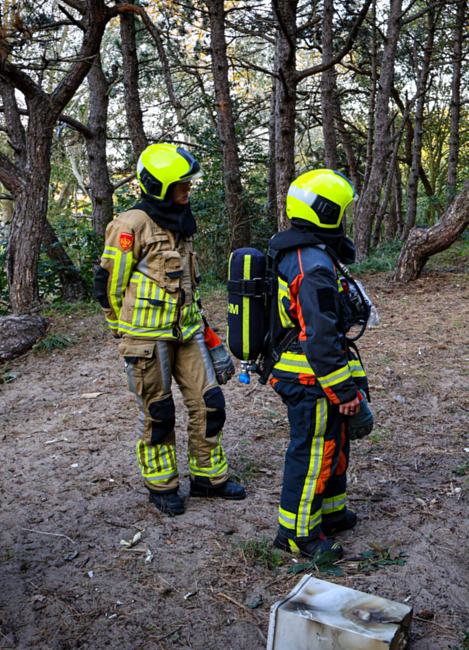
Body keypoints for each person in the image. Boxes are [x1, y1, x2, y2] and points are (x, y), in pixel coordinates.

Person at [95, 144, 243, 517]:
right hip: (146, 337)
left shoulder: (180, 219)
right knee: (159, 412)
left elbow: (185, 284)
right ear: (158, 186)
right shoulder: (130, 225)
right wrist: (122, 331)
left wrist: (206, 330)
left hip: (187, 331)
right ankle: (162, 485)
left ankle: (208, 478)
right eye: (182, 185)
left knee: (210, 403)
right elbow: (109, 283)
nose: (188, 190)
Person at [268, 170, 371, 558]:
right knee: (313, 454)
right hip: (310, 379)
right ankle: (296, 535)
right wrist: (343, 390)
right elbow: (320, 335)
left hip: (312, 374)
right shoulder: (312, 266)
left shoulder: (304, 252)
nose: (343, 220)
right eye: (340, 212)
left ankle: (330, 513)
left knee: (334, 444)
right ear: (325, 213)